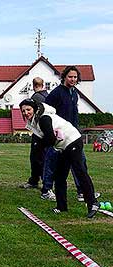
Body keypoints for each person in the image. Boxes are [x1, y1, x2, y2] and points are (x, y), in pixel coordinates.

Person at [20, 99, 100, 218]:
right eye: (23, 111)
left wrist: (39, 146)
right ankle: (61, 207)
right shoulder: (35, 121)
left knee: (80, 172)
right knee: (59, 176)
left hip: (73, 142)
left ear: (35, 109)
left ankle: (93, 203)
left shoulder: (43, 118)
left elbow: (50, 139)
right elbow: (46, 140)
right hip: (62, 147)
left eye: (28, 109)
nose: (26, 112)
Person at [45, 66, 100, 202]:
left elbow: (74, 114)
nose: (73, 79)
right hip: (59, 134)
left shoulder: (74, 94)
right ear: (64, 77)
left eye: (75, 77)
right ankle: (46, 190)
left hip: (73, 135)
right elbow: (46, 112)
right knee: (52, 161)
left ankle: (82, 191)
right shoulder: (56, 93)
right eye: (70, 77)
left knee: (80, 162)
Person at [20, 77, 49, 190]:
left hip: (38, 130)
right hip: (47, 129)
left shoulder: (35, 97)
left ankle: (37, 181)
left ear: (34, 86)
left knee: (36, 157)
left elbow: (34, 114)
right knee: (43, 156)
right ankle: (40, 180)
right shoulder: (48, 96)